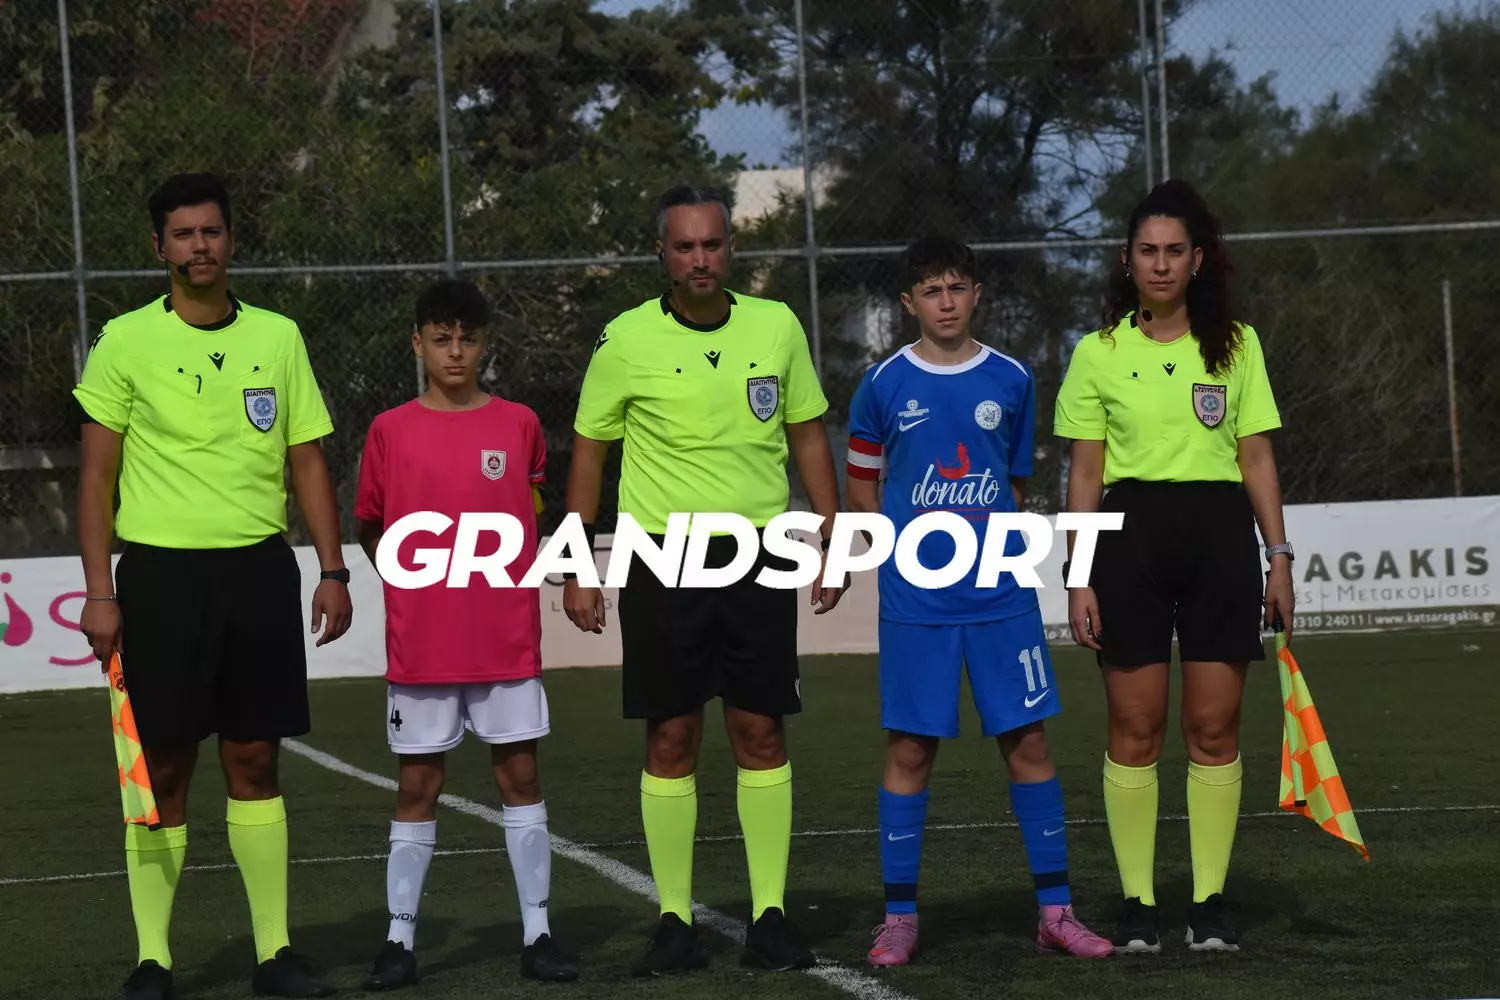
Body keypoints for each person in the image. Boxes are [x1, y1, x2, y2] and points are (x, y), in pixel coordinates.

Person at [73, 172, 352, 1000]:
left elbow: (308, 460)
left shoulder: (279, 336)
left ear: (231, 239)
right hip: (161, 578)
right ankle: (153, 961)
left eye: (213, 231)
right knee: (162, 770)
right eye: (184, 234)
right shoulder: (124, 340)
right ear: (158, 246)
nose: (200, 246)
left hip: (258, 571)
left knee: (255, 758)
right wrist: (99, 591)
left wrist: (333, 569)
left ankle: (274, 955)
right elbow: (96, 479)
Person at [562, 184, 846, 976]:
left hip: (759, 553)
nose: (699, 259)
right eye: (684, 246)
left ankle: (770, 917)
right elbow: (589, 451)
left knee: (761, 732)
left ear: (731, 249)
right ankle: (675, 921)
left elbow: (808, 435)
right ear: (662, 253)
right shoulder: (625, 338)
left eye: (712, 244)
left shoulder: (776, 325)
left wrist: (833, 536)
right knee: (671, 735)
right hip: (662, 557)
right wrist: (579, 562)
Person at [845, 237, 1114, 967]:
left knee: (1029, 743)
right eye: (932, 291)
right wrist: (899, 549)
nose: (946, 303)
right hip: (917, 603)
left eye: (957, 288)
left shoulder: (1012, 378)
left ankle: (1056, 912)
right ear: (909, 303)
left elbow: (1014, 484)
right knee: (910, 748)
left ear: (977, 295)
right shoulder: (882, 385)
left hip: (1000, 593)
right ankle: (899, 918)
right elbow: (862, 486)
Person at [1053, 179, 1294, 954]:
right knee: (1136, 727)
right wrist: (1079, 574)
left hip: (1221, 542)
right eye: (1147, 251)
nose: (1160, 264)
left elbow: (1256, 457)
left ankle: (1209, 904)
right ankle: (1137, 903)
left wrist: (1278, 557)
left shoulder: (1238, 345)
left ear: (1197, 260)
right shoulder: (1096, 352)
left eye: (1174, 251)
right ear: (1127, 261)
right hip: (1129, 545)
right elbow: (1085, 473)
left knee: (1213, 729)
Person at [352, 278, 579, 989]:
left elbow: (530, 511)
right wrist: (414, 585)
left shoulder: (520, 424)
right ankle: (399, 943)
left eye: (468, 339)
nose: (455, 352)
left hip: (504, 637)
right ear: (418, 344)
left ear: (486, 346)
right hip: (423, 643)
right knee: (418, 783)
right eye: (441, 339)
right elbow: (371, 525)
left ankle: (539, 934)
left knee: (521, 776)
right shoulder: (389, 430)